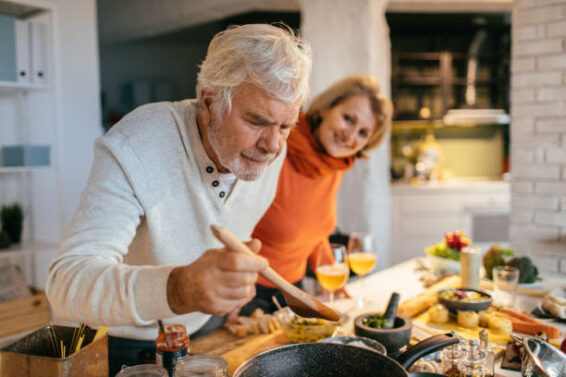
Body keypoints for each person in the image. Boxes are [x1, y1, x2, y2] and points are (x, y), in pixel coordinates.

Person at [45, 23, 311, 375]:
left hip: (201, 333)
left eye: (285, 126)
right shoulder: (138, 143)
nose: (273, 146)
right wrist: (177, 289)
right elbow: (66, 285)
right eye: (256, 120)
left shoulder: (266, 149)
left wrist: (222, 292)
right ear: (209, 102)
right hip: (113, 342)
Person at [240, 74, 391, 316]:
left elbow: (315, 230)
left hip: (292, 290)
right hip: (246, 294)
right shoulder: (276, 146)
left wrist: (332, 278)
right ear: (325, 109)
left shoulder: (333, 164)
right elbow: (231, 222)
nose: (351, 137)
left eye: (363, 133)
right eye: (348, 119)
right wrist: (233, 288)